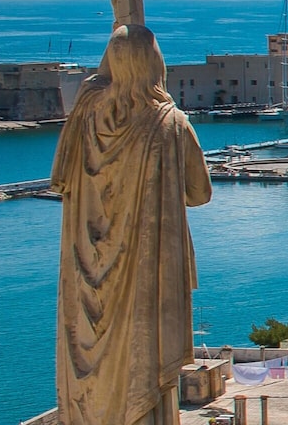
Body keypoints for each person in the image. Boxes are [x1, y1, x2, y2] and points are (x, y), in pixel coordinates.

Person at [52, 24, 211, 425]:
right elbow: (200, 192)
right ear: (155, 64)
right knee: (143, 372)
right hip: (141, 279)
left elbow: (99, 78)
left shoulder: (85, 112)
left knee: (95, 380)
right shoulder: (168, 124)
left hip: (85, 278)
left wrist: (119, 28)